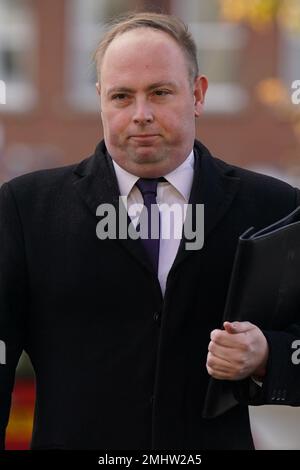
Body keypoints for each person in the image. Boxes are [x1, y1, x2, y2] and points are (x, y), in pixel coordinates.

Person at [0, 12, 300, 450]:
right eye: (122, 96)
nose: (141, 115)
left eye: (160, 93)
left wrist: (267, 356)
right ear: (101, 98)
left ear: (197, 94)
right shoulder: (24, 210)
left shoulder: (277, 208)